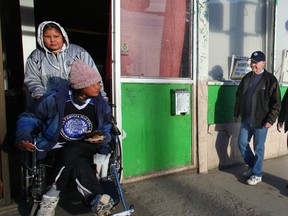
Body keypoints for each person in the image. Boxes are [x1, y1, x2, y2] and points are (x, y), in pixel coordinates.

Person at [16, 60, 114, 216]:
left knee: (74, 149)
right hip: (56, 147)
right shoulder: (55, 99)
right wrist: (24, 136)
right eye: (94, 83)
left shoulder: (100, 104)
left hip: (86, 147)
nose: (99, 86)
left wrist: (105, 137)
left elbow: (107, 126)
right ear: (81, 85)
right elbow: (29, 118)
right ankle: (96, 199)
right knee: (76, 160)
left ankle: (50, 196)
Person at [24, 20, 107, 101]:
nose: (52, 40)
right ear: (41, 38)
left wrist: (102, 97)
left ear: (63, 36)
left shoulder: (78, 52)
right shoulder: (36, 56)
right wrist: (41, 97)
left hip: (77, 102)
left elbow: (94, 78)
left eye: (56, 36)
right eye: (47, 37)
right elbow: (32, 79)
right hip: (50, 103)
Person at [233, 51, 281, 186]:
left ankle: (257, 174)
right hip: (247, 118)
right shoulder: (247, 77)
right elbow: (239, 96)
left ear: (263, 63)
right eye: (252, 62)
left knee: (259, 147)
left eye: (256, 62)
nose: (253, 65)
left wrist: (271, 120)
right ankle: (253, 166)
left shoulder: (271, 80)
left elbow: (276, 103)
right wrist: (236, 113)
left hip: (262, 120)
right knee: (242, 143)